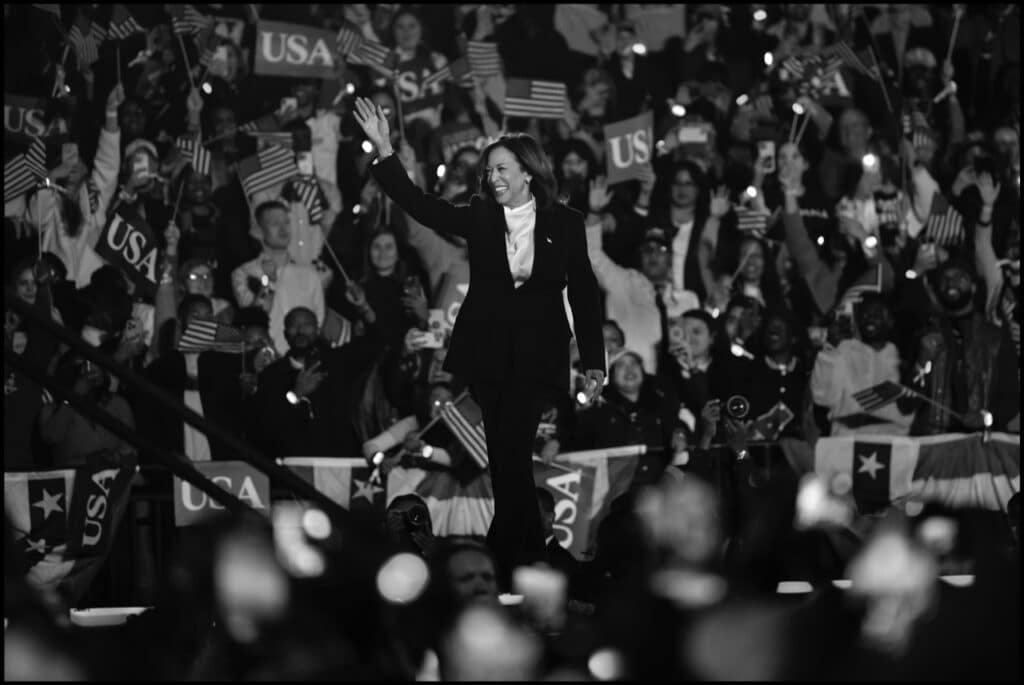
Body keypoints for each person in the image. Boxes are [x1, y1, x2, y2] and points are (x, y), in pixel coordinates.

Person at [354, 97, 606, 585]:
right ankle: (523, 557)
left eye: (503, 167)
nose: (493, 176)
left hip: (539, 361)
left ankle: (515, 556)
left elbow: (585, 295)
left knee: (510, 456)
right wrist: (386, 151)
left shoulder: (566, 223)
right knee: (507, 459)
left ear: (529, 172)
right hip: (489, 361)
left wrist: (594, 361)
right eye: (489, 169)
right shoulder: (480, 217)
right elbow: (421, 206)